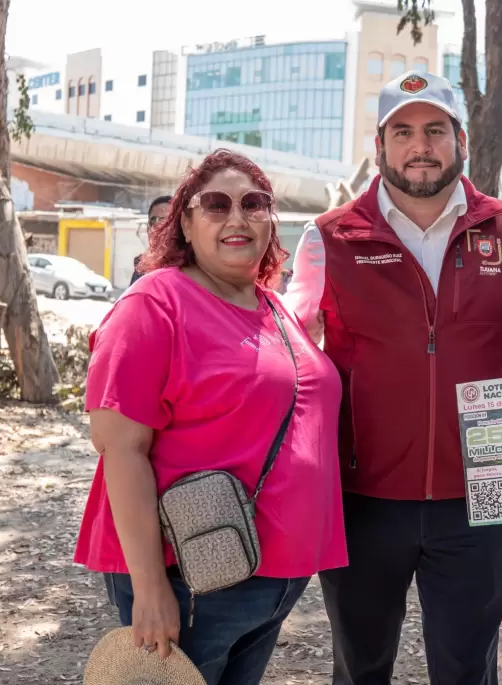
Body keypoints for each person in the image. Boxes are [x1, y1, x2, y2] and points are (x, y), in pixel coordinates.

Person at [284, 70, 502, 685]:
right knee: (360, 668)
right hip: (363, 495)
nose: (421, 145)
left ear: (460, 141)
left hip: (483, 488)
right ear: (381, 146)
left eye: (435, 130)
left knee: (468, 670)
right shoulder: (329, 237)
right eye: (404, 131)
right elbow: (286, 346)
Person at [75, 149, 347, 685]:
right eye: (216, 205)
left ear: (272, 219)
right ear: (185, 221)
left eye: (254, 204)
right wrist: (150, 587)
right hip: (195, 575)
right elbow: (119, 449)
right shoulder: (154, 304)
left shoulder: (275, 307)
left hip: (270, 575)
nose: (237, 217)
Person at [129, 195, 173, 286]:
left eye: (166, 221)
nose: (159, 227)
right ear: (148, 229)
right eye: (154, 221)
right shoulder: (141, 268)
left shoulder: (191, 269)